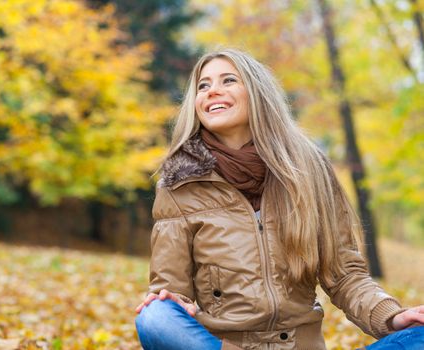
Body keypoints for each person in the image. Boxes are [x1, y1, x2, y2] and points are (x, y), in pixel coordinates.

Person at [134, 49, 424, 350]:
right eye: (203, 86)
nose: (212, 91)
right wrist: (170, 301)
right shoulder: (180, 183)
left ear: (258, 93)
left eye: (228, 80)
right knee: (155, 318)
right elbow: (171, 290)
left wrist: (392, 317)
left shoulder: (309, 168)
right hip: (223, 347)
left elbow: (345, 276)